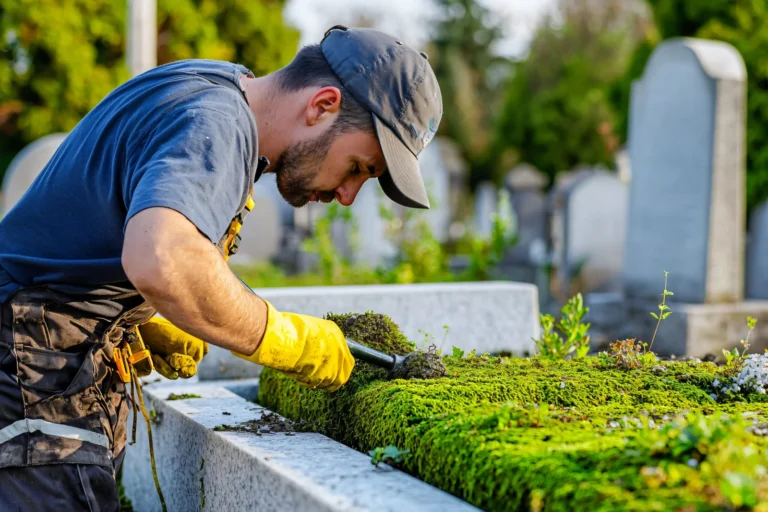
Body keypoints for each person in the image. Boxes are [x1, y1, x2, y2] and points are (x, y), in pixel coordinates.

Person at [0, 25, 442, 510]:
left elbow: (98, 230)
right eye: (358, 167)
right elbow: (162, 257)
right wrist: (285, 339)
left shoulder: (213, 87)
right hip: (33, 364)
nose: (348, 195)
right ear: (322, 106)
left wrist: (134, 315)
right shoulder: (219, 123)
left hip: (45, 347)